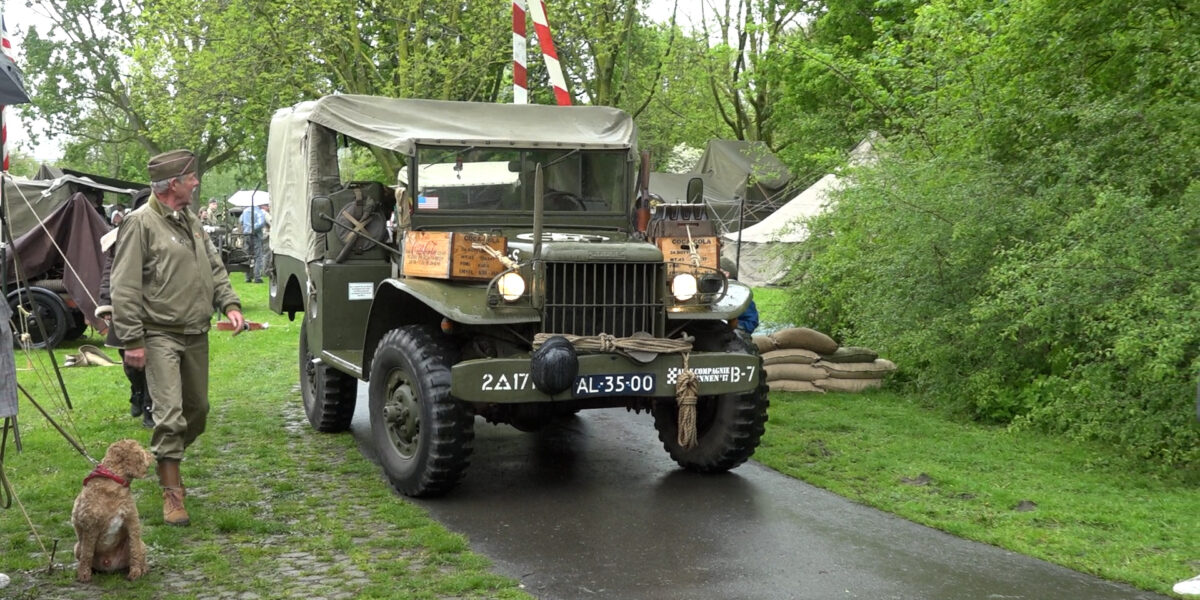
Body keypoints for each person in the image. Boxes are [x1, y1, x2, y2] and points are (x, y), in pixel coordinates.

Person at [110, 149, 244, 527]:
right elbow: (124, 286)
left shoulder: (190, 220)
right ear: (174, 184)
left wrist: (230, 303)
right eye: (191, 177)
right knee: (169, 415)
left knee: (197, 412)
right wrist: (132, 339)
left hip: (196, 333)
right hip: (158, 334)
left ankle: (163, 459)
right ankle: (172, 491)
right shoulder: (140, 223)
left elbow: (214, 267)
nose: (197, 182)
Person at [97, 188, 155, 428]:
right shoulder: (121, 236)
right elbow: (112, 270)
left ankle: (152, 407)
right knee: (130, 361)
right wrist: (105, 301)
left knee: (156, 361)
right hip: (126, 305)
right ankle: (137, 391)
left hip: (154, 308)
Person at [239, 202, 268, 283]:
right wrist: (253, 228)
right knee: (258, 256)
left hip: (246, 235)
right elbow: (261, 223)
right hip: (255, 235)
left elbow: (241, 220)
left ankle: (247, 277)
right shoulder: (259, 212)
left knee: (246, 256)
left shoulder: (245, 211)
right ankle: (257, 277)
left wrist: (247, 227)